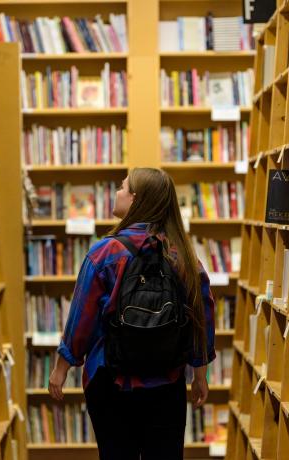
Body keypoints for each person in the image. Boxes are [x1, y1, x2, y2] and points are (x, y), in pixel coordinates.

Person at [48, 168, 216, 460]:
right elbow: (202, 317)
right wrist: (200, 371)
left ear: (135, 199)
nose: (116, 192)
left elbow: (81, 317)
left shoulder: (105, 253)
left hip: (111, 382)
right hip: (167, 380)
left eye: (122, 187)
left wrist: (62, 368)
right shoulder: (183, 255)